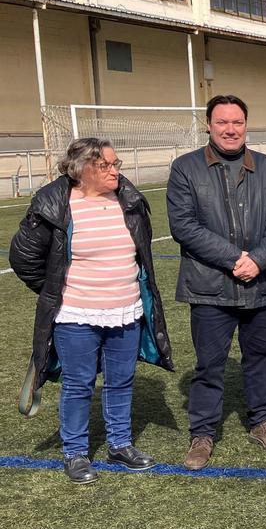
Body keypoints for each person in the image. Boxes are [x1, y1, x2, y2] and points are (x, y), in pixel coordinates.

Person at [10, 138, 174, 484]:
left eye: (117, 165)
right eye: (106, 166)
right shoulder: (55, 203)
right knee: (79, 383)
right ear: (82, 169)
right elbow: (23, 257)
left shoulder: (128, 199)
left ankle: (119, 444)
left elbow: (140, 252)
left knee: (120, 380)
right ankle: (75, 452)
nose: (116, 171)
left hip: (126, 310)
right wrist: (58, 290)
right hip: (76, 315)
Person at [167, 94, 266, 470]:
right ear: (209, 125)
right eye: (222, 122)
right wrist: (234, 258)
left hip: (259, 284)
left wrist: (259, 259)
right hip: (209, 287)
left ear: (246, 125)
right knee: (210, 363)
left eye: (237, 122)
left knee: (260, 358)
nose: (230, 129)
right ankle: (203, 434)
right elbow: (183, 225)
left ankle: (262, 422)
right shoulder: (186, 168)